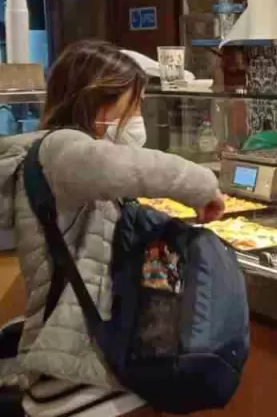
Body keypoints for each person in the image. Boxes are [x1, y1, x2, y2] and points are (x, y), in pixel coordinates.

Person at [0, 40, 225, 417]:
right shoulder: (62, 148)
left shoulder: (60, 154)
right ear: (97, 102)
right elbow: (129, 167)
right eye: (131, 104)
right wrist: (203, 187)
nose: (136, 115)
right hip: (80, 386)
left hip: (83, 373)